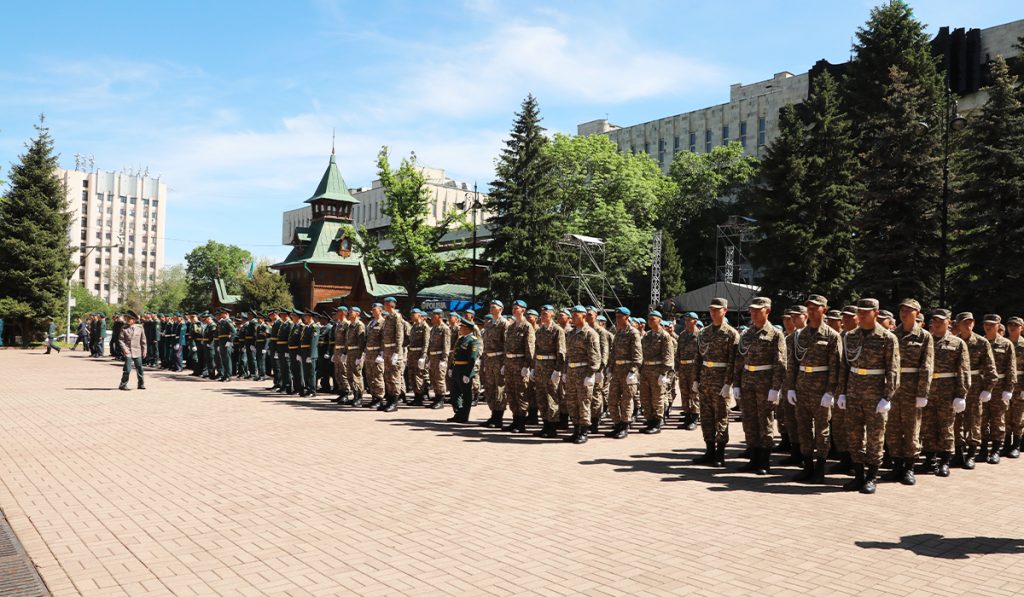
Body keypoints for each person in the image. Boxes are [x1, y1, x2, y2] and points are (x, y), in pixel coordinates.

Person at [837, 298, 899, 494]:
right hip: (854, 392)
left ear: (876, 312)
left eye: (866, 311)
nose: (862, 315)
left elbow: (893, 369)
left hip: (875, 394)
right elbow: (844, 367)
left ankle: (872, 477)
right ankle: (858, 476)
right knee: (854, 435)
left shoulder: (887, 338)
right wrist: (842, 393)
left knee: (875, 437)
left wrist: (887, 396)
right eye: (860, 312)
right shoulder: (850, 336)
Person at [883, 298, 933, 486]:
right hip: (894, 389)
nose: (904, 313)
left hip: (912, 389)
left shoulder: (924, 336)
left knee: (912, 430)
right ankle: (896, 466)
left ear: (917, 313)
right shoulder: (892, 334)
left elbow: (927, 366)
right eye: (902, 310)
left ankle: (909, 468)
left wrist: (922, 393)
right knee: (893, 429)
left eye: (908, 310)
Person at [734, 297, 787, 475]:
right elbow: (739, 360)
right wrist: (736, 384)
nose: (754, 313)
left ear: (768, 311)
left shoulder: (775, 334)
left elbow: (780, 363)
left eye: (758, 310)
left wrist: (775, 388)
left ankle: (764, 462)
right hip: (748, 382)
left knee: (765, 422)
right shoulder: (746, 334)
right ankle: (753, 459)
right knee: (749, 421)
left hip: (765, 385)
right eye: (752, 310)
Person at [919, 309, 970, 477]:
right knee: (928, 426)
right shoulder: (926, 340)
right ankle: (929, 460)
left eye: (941, 320)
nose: (937, 323)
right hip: (928, 389)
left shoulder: (957, 343)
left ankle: (944, 461)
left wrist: (961, 394)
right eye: (935, 320)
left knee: (946, 427)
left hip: (947, 391)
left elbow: (963, 369)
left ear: (949, 322)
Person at [694, 297, 740, 467]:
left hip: (720, 382)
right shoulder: (703, 332)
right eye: (711, 310)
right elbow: (698, 357)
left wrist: (728, 383)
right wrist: (696, 379)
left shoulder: (731, 334)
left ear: (725, 311)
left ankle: (720, 454)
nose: (713, 313)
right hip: (705, 380)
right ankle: (709, 451)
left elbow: (733, 361)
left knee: (721, 417)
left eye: (717, 310)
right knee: (705, 417)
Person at [953, 312, 997, 469]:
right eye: (965, 322)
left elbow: (991, 368)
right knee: (955, 422)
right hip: (955, 385)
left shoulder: (981, 342)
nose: (968, 324)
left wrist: (988, 388)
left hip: (975, 386)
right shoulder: (954, 341)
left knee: (974, 421)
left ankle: (971, 454)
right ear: (957, 324)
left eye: (971, 322)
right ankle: (958, 454)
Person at [980, 314, 1017, 464]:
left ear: (998, 325)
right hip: (981, 386)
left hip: (1000, 387)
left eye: (992, 324)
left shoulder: (1006, 344)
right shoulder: (980, 342)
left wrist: (1009, 389)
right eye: (986, 324)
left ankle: (995, 450)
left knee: (998, 420)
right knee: (981, 420)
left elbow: (1011, 368)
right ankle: (983, 450)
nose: (988, 327)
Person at [563, 305, 601, 444]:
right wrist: (565, 371)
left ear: (583, 316)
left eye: (575, 315)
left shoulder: (590, 333)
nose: (572, 318)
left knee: (584, 402)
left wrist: (591, 374)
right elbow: (568, 355)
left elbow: (595, 356)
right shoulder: (572, 333)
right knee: (572, 403)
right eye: (572, 315)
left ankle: (584, 431)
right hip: (572, 371)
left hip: (584, 372)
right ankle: (576, 430)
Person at [606, 306, 641, 439]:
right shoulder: (618, 332)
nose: (617, 319)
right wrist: (610, 368)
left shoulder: (633, 333)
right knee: (612, 399)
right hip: (617, 371)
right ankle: (617, 424)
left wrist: (632, 371)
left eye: (620, 317)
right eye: (616, 317)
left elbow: (637, 355)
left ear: (626, 317)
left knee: (626, 400)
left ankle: (625, 426)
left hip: (627, 372)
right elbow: (613, 353)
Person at [533, 305, 567, 438]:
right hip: (540, 366)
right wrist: (533, 367)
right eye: (542, 314)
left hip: (551, 367)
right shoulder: (540, 331)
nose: (543, 316)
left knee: (552, 397)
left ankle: (552, 427)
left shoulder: (557, 330)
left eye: (546, 314)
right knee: (541, 397)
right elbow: (536, 350)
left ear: (552, 315)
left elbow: (561, 352)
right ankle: (545, 424)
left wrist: (558, 370)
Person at [639, 310, 676, 435]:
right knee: (645, 398)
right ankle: (649, 421)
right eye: (649, 319)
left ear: (659, 320)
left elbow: (668, 356)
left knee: (657, 398)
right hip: (646, 370)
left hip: (658, 371)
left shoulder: (664, 336)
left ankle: (657, 422)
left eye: (652, 319)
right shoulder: (646, 335)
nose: (650, 321)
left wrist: (664, 373)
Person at [502, 300, 536, 433]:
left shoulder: (527, 326)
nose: (513, 310)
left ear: (523, 310)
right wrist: (505, 363)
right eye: (513, 308)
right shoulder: (510, 327)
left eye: (517, 308)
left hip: (520, 363)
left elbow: (530, 348)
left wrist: (527, 366)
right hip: (510, 364)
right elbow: (506, 347)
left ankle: (521, 423)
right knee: (511, 393)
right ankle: (515, 420)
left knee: (521, 393)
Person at [480, 300, 510, 428]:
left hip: (498, 359)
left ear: (500, 309)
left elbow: (506, 345)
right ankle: (493, 415)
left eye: (494, 307)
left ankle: (498, 417)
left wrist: (504, 363)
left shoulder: (504, 324)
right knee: (490, 388)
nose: (491, 309)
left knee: (499, 389)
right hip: (489, 359)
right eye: (490, 307)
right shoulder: (489, 324)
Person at [447, 316, 482, 423]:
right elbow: (454, 355)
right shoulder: (461, 339)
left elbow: (472, 358)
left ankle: (464, 415)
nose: (460, 329)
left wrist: (468, 374)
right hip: (457, 368)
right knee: (454, 392)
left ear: (467, 329)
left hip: (465, 369)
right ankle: (458, 412)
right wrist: (451, 367)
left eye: (461, 327)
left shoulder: (473, 341)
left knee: (466, 394)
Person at [426, 308, 451, 410]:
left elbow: (446, 345)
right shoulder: (433, 328)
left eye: (434, 315)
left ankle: (440, 400)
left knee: (440, 379)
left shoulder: (445, 329)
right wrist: (428, 357)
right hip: (433, 356)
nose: (431, 317)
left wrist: (444, 360)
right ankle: (436, 398)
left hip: (440, 356)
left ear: (440, 316)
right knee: (433, 378)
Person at [118, 311, 147, 391]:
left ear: (133, 320)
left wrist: (144, 350)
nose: (127, 320)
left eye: (129, 319)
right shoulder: (124, 328)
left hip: (137, 351)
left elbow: (143, 340)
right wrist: (124, 349)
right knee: (127, 368)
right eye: (127, 319)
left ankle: (141, 384)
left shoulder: (140, 328)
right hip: (128, 351)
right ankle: (123, 384)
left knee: (139, 368)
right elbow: (121, 340)